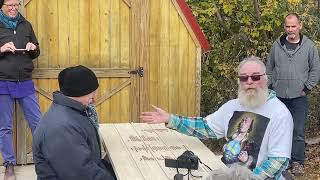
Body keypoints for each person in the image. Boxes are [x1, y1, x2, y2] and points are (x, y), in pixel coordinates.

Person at [141, 56, 293, 180]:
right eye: (243, 78)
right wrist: (171, 119)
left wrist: (249, 178)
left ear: (265, 79)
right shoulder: (233, 105)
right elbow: (206, 127)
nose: (249, 82)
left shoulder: (280, 113)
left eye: (255, 77)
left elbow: (278, 161)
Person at [32, 65, 116, 180]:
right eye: (92, 94)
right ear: (78, 93)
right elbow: (82, 174)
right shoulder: (62, 128)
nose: (94, 99)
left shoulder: (74, 111)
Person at [266, 13, 320, 176]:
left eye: (293, 26)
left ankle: (297, 162)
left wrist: (307, 87)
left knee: (297, 130)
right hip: (279, 97)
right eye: (288, 26)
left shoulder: (309, 46)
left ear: (300, 26)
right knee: (279, 130)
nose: (290, 30)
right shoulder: (277, 45)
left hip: (299, 97)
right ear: (285, 27)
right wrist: (269, 87)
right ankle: (282, 161)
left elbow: (315, 70)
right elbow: (269, 68)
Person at [0, 0, 41, 179]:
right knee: (5, 127)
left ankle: (44, 159)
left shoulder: (26, 25)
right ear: (1, 6)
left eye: (16, 4)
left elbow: (36, 50)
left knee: (38, 124)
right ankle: (9, 164)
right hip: (3, 81)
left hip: (24, 81)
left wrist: (33, 48)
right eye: (9, 5)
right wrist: (1, 49)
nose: (13, 8)